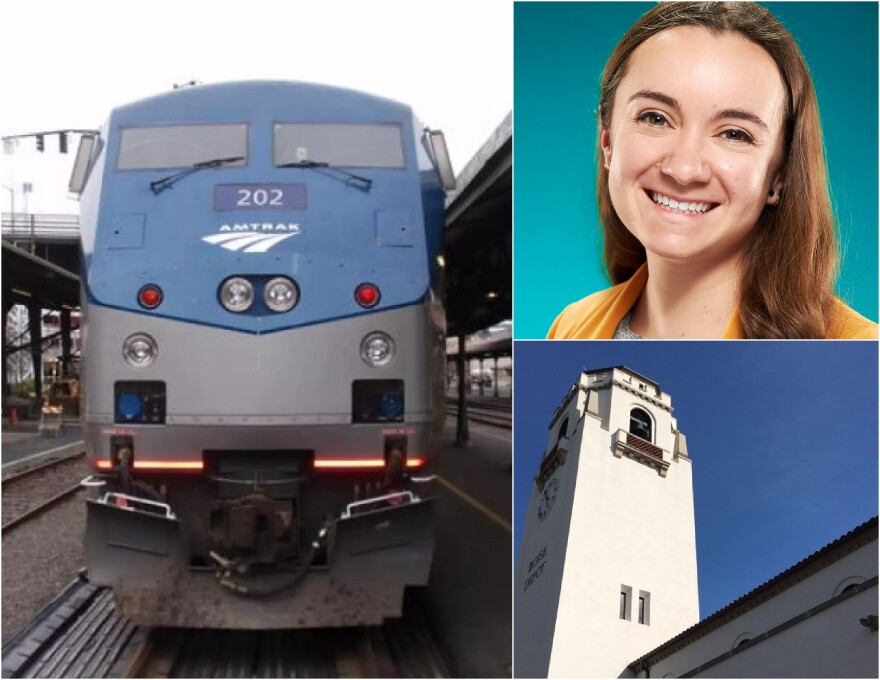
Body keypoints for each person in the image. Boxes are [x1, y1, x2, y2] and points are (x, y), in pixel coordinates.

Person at [547, 2, 877, 339]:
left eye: (735, 134)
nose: (684, 169)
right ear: (607, 142)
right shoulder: (570, 328)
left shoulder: (864, 356)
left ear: (780, 176)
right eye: (655, 118)